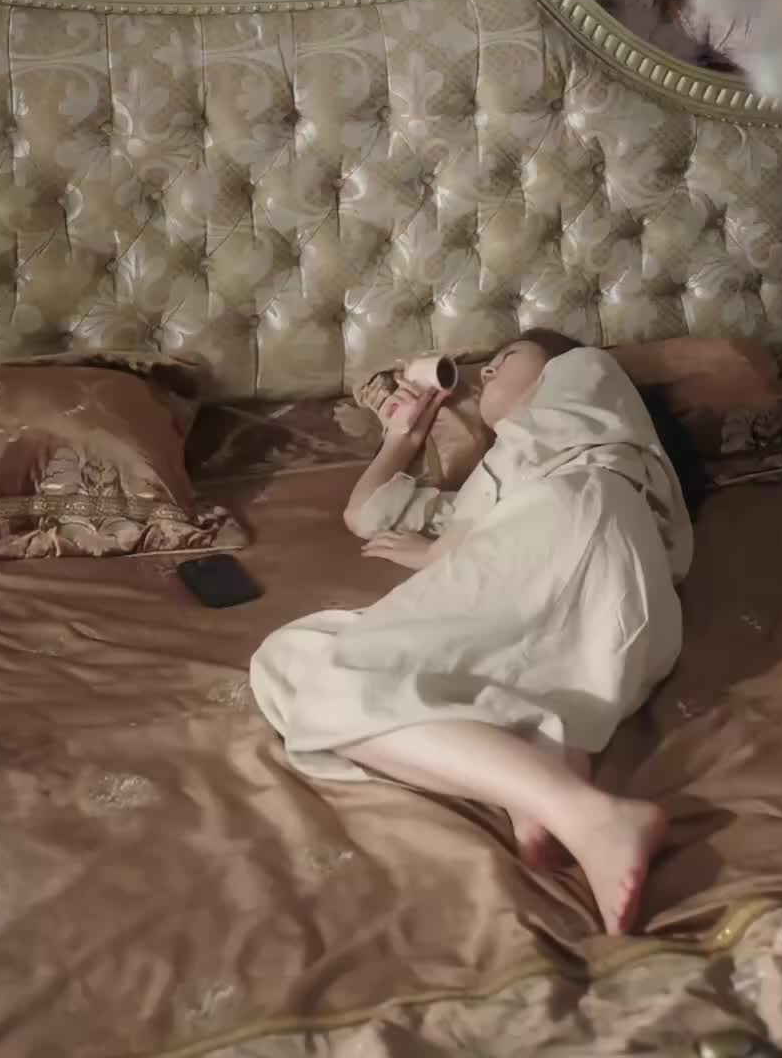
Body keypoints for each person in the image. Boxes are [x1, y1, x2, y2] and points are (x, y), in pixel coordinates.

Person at [250, 330, 694, 936]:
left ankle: (585, 815)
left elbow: (535, 453)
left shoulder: (585, 375)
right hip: (582, 593)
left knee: (332, 679)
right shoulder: (485, 493)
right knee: (287, 664)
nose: (487, 373)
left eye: (507, 358)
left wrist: (441, 553)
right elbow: (366, 515)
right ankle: (540, 779)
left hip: (574, 529)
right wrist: (402, 437)